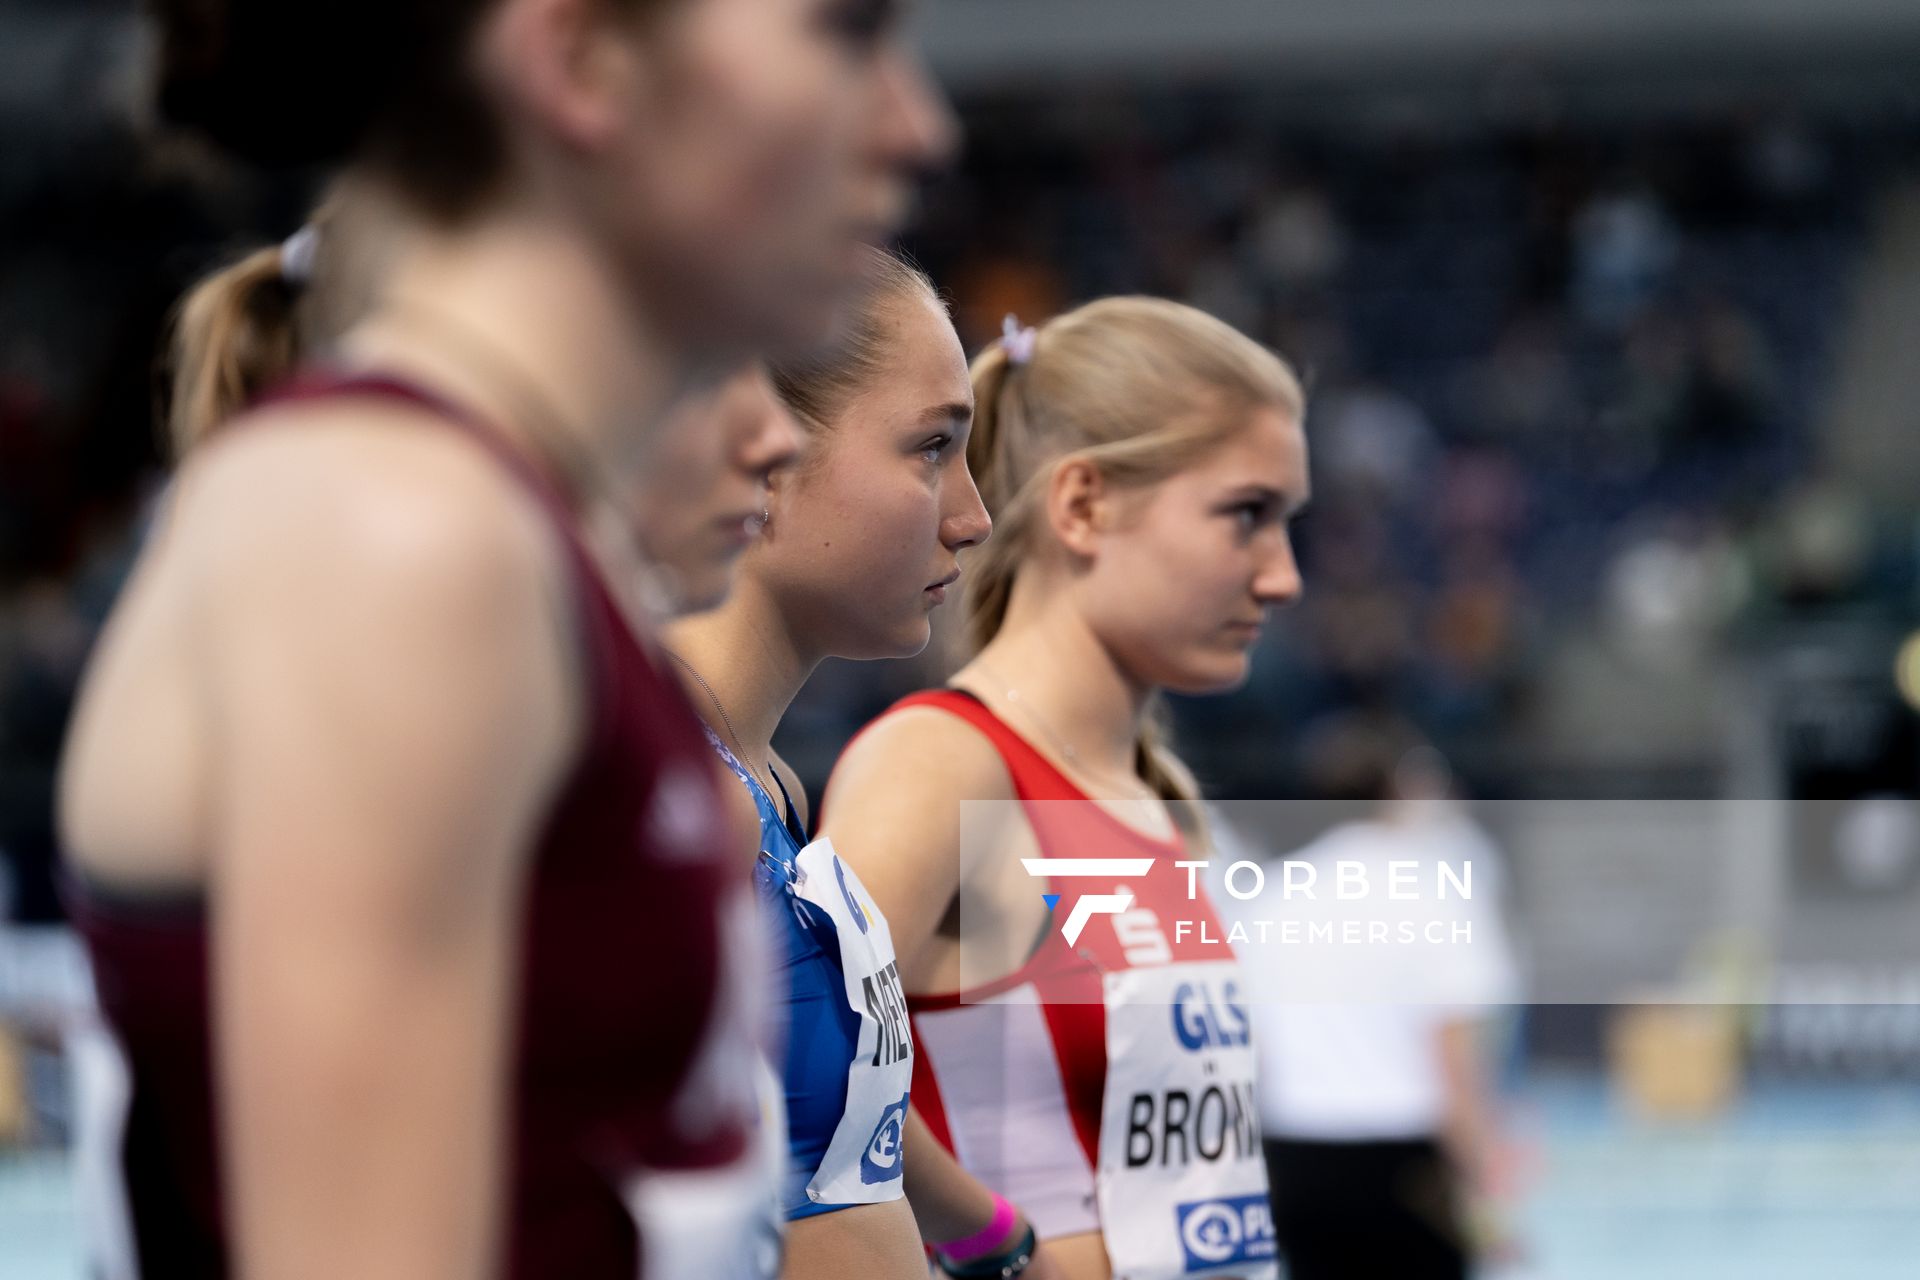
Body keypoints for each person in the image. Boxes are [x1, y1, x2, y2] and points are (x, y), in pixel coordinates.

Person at [54, 1, 952, 1275]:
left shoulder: (499, 534)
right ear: (582, 60)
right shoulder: (405, 542)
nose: (920, 124)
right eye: (847, 34)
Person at [820, 297, 1310, 1280]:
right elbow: (790, 1064)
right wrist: (991, 1239)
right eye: (1246, 515)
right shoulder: (945, 763)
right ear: (1082, 505)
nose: (1284, 575)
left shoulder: (1156, 795)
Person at [666, 250, 1066, 1280]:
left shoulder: (767, 782)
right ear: (761, 452)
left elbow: (834, 1151)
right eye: (933, 448)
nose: (974, 515)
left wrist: (993, 1241)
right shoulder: (669, 790)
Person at [1225, 729, 1523, 1280]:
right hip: (1403, 1155)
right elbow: (1454, 1060)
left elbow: (1250, 1050)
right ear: (1397, 791)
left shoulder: (1268, 897)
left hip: (1295, 1152)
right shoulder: (1436, 893)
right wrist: (1485, 1190)